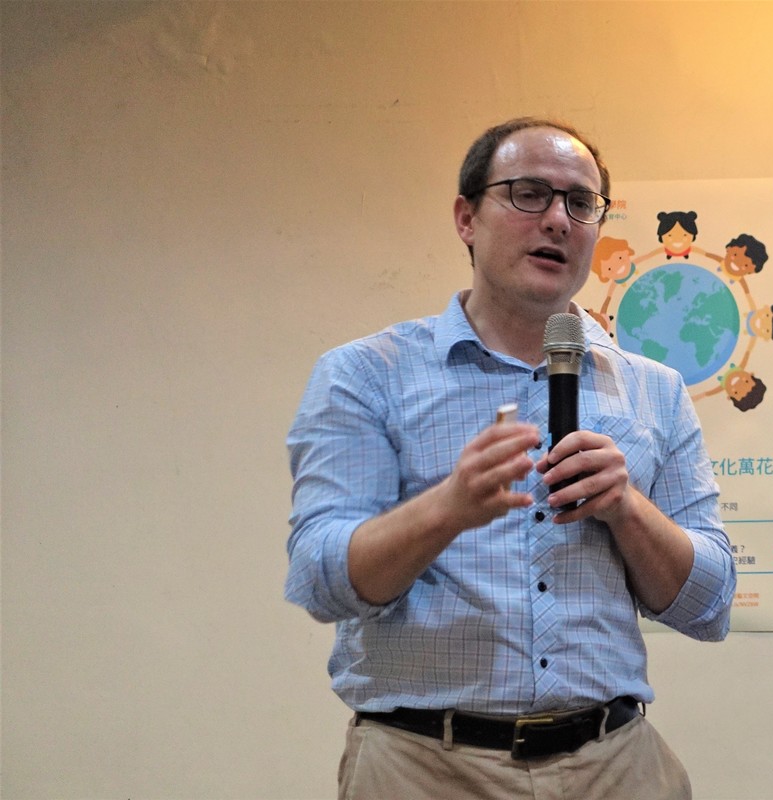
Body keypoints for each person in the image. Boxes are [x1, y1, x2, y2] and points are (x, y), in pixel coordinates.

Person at [285, 117, 736, 800]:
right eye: (529, 194)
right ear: (467, 218)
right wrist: (446, 509)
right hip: (425, 768)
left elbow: (711, 607)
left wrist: (628, 510)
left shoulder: (654, 390)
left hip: (616, 765)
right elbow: (321, 581)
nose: (557, 219)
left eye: (580, 203)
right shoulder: (366, 374)